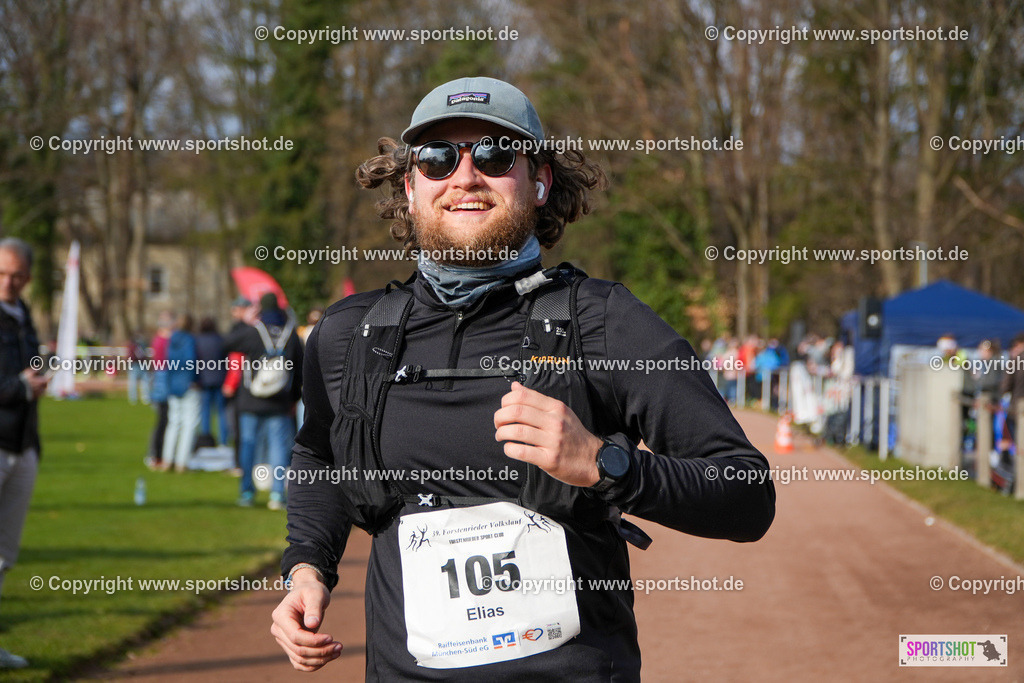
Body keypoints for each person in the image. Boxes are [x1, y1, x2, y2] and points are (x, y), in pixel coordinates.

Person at [270, 76, 775, 680]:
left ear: (539, 181)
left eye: (494, 154)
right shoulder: (351, 334)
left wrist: (603, 464)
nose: (464, 177)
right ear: (409, 187)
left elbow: (747, 494)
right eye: (436, 159)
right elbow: (320, 455)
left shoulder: (605, 322)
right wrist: (307, 568)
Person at [0, 238, 48, 669]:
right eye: (1, 273)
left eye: (16, 274)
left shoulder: (24, 315)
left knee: (3, 555)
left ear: (28, 277)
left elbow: (30, 368)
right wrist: (20, 387)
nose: (8, 281)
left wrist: (38, 375)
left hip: (22, 443)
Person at [223, 293, 303, 509]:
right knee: (279, 449)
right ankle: (277, 495)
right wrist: (294, 399)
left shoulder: (253, 332)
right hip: (280, 403)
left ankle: (247, 493)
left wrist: (244, 322)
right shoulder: (291, 334)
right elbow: (300, 370)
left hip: (251, 400)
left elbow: (225, 344)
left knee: (248, 445)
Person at [162, 313, 200, 472]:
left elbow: (169, 362)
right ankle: (181, 462)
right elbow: (191, 361)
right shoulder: (189, 340)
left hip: (173, 384)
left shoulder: (172, 340)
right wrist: (194, 379)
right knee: (189, 425)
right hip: (187, 384)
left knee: (173, 423)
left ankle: (167, 459)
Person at [145, 312, 174, 470]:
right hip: (163, 382)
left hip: (161, 381)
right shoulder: (163, 341)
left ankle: (157, 454)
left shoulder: (159, 340)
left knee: (163, 421)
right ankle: (157, 454)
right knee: (163, 421)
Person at [195, 317, 228, 446]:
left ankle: (206, 439)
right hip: (219, 379)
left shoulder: (198, 341)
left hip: (204, 380)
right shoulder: (220, 340)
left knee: (205, 412)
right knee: (221, 413)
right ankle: (223, 440)